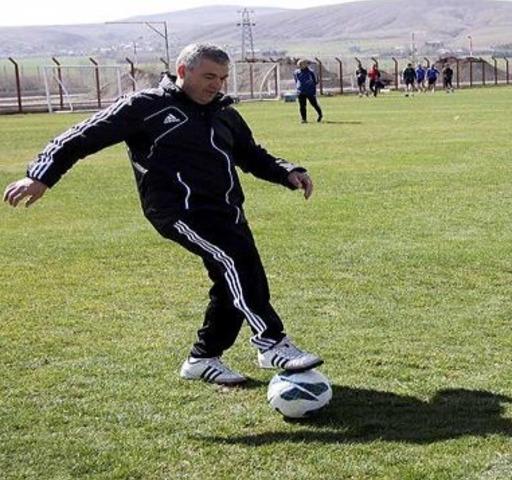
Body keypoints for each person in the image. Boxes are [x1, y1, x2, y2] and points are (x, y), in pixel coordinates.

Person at [2, 43, 323, 386]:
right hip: (178, 210)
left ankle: (203, 359)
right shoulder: (146, 107)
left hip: (225, 210)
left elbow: (250, 154)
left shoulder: (224, 112)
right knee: (237, 261)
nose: (217, 85)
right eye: (209, 76)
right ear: (183, 71)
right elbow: (82, 136)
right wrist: (40, 175)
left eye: (223, 78)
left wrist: (287, 172)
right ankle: (270, 343)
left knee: (234, 278)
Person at [294, 59, 323, 123]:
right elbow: (296, 80)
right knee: (302, 106)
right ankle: (304, 119)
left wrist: (311, 86)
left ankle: (320, 115)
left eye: (302, 64)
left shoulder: (311, 72)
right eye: (299, 64)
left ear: (306, 65)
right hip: (301, 91)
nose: (300, 65)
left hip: (310, 91)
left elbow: (315, 81)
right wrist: (298, 88)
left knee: (314, 104)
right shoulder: (296, 72)